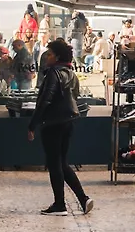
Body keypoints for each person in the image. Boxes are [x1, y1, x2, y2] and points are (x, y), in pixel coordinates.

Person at [27, 39, 94, 216]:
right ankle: (83, 198)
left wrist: (33, 124)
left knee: (54, 163)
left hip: (53, 123)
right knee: (62, 162)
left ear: (56, 57)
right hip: (68, 121)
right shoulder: (71, 73)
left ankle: (59, 205)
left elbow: (45, 100)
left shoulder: (53, 73)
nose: (46, 57)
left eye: (49, 54)